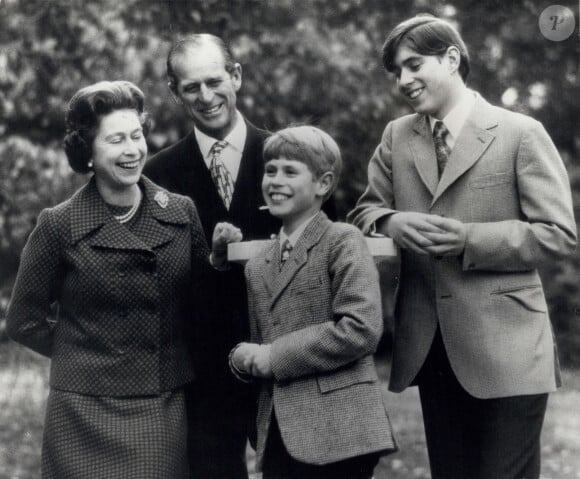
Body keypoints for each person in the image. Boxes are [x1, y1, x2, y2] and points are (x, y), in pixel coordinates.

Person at [348, 14, 577, 479]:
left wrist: (469, 239)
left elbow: (558, 234)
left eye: (413, 65)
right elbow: (363, 213)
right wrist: (392, 220)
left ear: (451, 58)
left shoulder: (520, 132)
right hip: (432, 350)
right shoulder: (397, 136)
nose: (404, 81)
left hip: (510, 350)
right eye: (397, 72)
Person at [143, 33, 335, 478]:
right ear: (175, 92)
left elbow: (327, 254)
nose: (206, 97)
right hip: (203, 372)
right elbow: (157, 280)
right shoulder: (157, 175)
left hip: (287, 361)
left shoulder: (293, 156)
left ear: (236, 76)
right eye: (191, 87)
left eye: (215, 81)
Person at [6, 81, 210, 478]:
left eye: (137, 136)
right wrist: (88, 352)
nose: (132, 150)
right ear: (88, 153)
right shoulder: (58, 225)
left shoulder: (182, 213)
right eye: (116, 140)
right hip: (80, 410)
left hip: (159, 403)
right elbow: (22, 321)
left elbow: (203, 307)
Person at [219, 125, 397, 479]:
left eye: (290, 170)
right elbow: (263, 343)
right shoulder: (258, 264)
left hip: (342, 431)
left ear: (323, 184)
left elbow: (360, 329)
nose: (275, 180)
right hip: (279, 433)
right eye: (270, 170)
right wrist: (244, 359)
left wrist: (273, 356)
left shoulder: (342, 240)